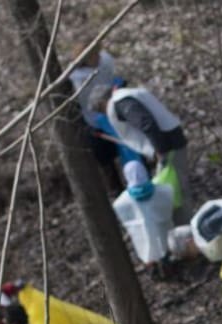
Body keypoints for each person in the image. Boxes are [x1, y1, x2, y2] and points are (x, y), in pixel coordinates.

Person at [89, 84, 193, 222]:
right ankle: (184, 226)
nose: (104, 113)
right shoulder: (127, 96)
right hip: (170, 143)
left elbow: (146, 123)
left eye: (101, 110)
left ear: (102, 103)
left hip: (168, 147)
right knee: (175, 189)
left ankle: (185, 228)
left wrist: (160, 151)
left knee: (174, 191)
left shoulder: (120, 102)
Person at [67, 44, 137, 178]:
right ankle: (115, 185)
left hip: (115, 112)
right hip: (96, 122)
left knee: (131, 147)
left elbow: (113, 77)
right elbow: (83, 103)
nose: (98, 57)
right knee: (105, 157)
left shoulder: (104, 61)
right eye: (94, 56)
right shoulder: (78, 80)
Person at [112, 160, 175, 274]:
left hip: (141, 234)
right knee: (163, 243)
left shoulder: (123, 201)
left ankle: (152, 267)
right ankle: (166, 262)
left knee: (146, 247)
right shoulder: (162, 190)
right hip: (162, 231)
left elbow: (120, 211)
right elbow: (168, 199)